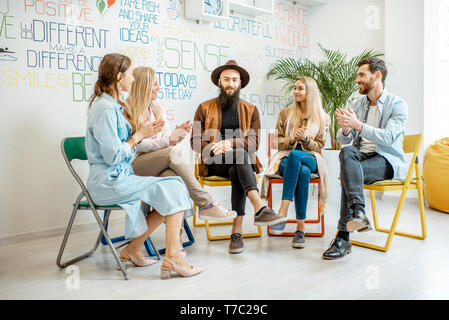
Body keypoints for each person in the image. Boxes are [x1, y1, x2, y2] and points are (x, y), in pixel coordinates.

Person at [85, 53, 201, 279]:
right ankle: (173, 258)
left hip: (121, 177)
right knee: (175, 187)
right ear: (119, 77)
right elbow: (113, 156)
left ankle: (133, 249)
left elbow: (127, 147)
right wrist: (138, 135)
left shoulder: (113, 105)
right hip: (109, 183)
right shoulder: (105, 109)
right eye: (130, 74)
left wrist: (149, 134)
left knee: (173, 189)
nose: (133, 79)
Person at [190, 60, 287, 254]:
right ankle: (259, 207)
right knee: (241, 156)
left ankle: (236, 232)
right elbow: (194, 141)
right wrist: (213, 147)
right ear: (219, 82)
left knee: (238, 163)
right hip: (214, 162)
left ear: (240, 83)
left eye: (235, 80)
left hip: (239, 164)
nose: (230, 84)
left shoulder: (250, 110)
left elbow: (254, 143)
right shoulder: (204, 108)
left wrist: (231, 143)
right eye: (226, 79)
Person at [322, 57, 408, 260]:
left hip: (386, 160)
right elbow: (346, 140)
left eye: (362, 75)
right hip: (360, 156)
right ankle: (359, 211)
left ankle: (343, 237)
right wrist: (345, 128)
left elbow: (387, 138)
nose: (357, 80)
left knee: (349, 174)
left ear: (377, 76)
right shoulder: (358, 104)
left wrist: (358, 125)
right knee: (346, 153)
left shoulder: (398, 105)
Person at [125, 67, 236, 222]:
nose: (159, 87)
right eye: (155, 84)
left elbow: (165, 138)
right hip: (134, 165)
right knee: (172, 154)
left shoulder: (157, 109)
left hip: (156, 162)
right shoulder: (127, 111)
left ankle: (176, 239)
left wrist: (175, 137)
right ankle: (206, 204)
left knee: (174, 179)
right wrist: (168, 141)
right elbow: (138, 144)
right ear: (144, 86)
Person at [261, 76, 330, 248]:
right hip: (285, 158)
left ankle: (282, 212)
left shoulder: (322, 117)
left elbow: (320, 145)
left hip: (311, 157)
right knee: (302, 171)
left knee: (297, 157)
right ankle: (300, 228)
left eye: (300, 88)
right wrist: (292, 139)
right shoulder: (285, 113)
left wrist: (306, 139)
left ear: (310, 92)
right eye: (295, 88)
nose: (296, 91)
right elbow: (278, 141)